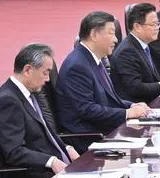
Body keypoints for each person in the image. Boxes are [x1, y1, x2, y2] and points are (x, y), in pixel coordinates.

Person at [56, 12, 151, 149]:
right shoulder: (77, 66)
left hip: (104, 129)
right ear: (94, 35)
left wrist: (131, 105)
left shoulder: (94, 59)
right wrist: (127, 113)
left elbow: (107, 99)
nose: (116, 39)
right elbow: (87, 109)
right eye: (111, 33)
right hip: (90, 138)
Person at [0, 43, 79, 178]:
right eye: (45, 73)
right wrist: (51, 161)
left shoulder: (29, 92)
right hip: (37, 175)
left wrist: (67, 148)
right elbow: (14, 152)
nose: (48, 79)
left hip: (59, 165)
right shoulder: (8, 100)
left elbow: (45, 134)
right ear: (28, 70)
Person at [111, 3, 160, 103]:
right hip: (137, 107)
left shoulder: (144, 45)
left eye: (158, 24)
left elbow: (146, 78)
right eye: (153, 24)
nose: (157, 28)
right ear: (137, 27)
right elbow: (134, 87)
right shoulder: (126, 51)